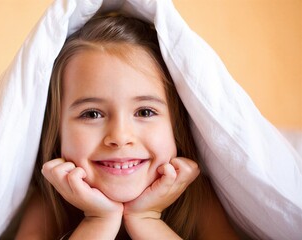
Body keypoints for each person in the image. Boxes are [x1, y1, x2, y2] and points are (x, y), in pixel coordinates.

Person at [12, 13, 239, 239]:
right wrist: (97, 221)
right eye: (92, 114)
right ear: (58, 131)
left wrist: (147, 219)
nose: (120, 137)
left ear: (176, 126)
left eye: (145, 112)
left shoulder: (199, 199)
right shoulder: (47, 204)